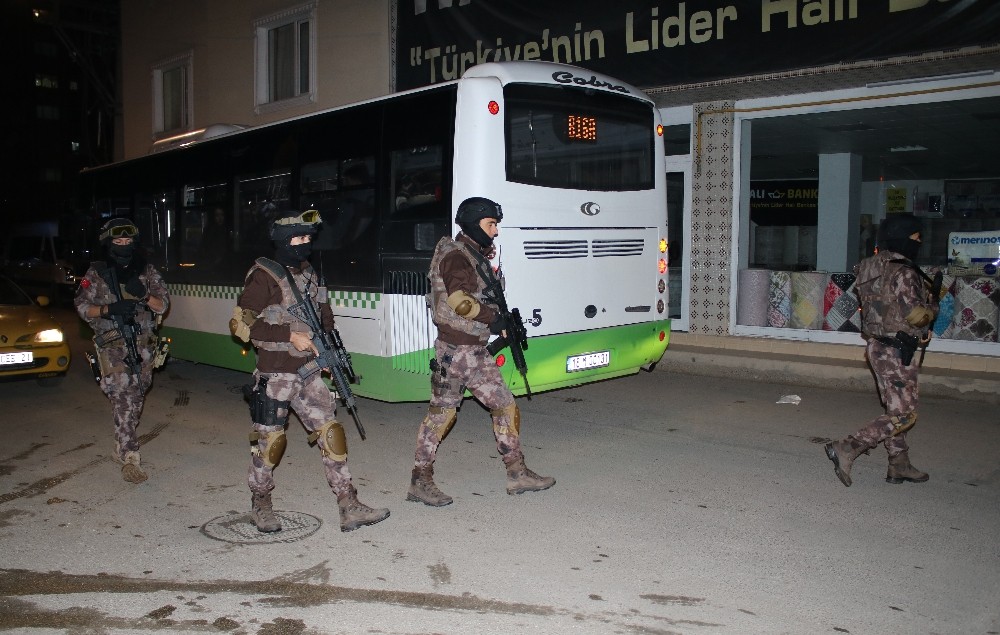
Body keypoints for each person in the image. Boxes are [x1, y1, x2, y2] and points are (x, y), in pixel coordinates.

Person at [230, 209, 389, 533]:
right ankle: (261, 503)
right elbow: (241, 327)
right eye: (298, 238)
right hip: (275, 374)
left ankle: (349, 504)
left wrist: (331, 353)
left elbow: (324, 314)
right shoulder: (264, 276)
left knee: (331, 434)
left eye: (308, 239)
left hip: (309, 371)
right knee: (270, 442)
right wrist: (289, 335)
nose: (304, 245)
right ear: (282, 240)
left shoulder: (310, 274)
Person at [407, 196, 555, 507]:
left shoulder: (473, 254)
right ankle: (420, 480)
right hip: (456, 351)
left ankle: (517, 473)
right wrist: (494, 318)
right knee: (441, 416)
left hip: (474, 350)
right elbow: (460, 301)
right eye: (491, 224)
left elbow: (481, 296)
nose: (496, 231)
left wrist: (503, 324)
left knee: (504, 404)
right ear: (476, 224)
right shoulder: (456, 257)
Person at [825, 213, 938, 487]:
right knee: (904, 414)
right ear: (904, 237)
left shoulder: (869, 266)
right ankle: (849, 446)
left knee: (894, 408)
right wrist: (933, 306)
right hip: (897, 350)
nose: (919, 242)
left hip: (876, 346)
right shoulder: (904, 270)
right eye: (915, 237)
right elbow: (915, 315)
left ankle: (899, 464)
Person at [75, 218, 170, 483]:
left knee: (137, 396)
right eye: (118, 242)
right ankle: (130, 456)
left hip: (142, 345)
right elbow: (82, 307)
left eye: (128, 242)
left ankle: (121, 443)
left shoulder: (147, 271)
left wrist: (143, 296)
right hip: (112, 345)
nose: (124, 246)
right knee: (123, 397)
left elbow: (162, 306)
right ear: (109, 243)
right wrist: (107, 309)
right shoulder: (96, 272)